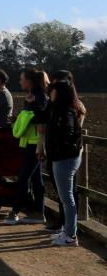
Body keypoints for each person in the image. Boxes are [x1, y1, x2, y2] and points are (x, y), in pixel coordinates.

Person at [7, 68, 49, 225]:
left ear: (29, 81)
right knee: (36, 179)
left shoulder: (39, 98)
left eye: (21, 78)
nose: (20, 81)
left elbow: (42, 120)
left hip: (35, 144)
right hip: (29, 142)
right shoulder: (33, 97)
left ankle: (15, 211)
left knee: (24, 176)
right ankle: (39, 213)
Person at [46, 78, 84, 247]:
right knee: (66, 197)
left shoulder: (65, 113)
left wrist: (57, 150)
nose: (50, 93)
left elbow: (66, 135)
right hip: (64, 158)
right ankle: (69, 231)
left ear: (59, 93)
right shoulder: (62, 110)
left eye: (52, 90)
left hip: (64, 159)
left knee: (66, 198)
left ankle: (70, 234)